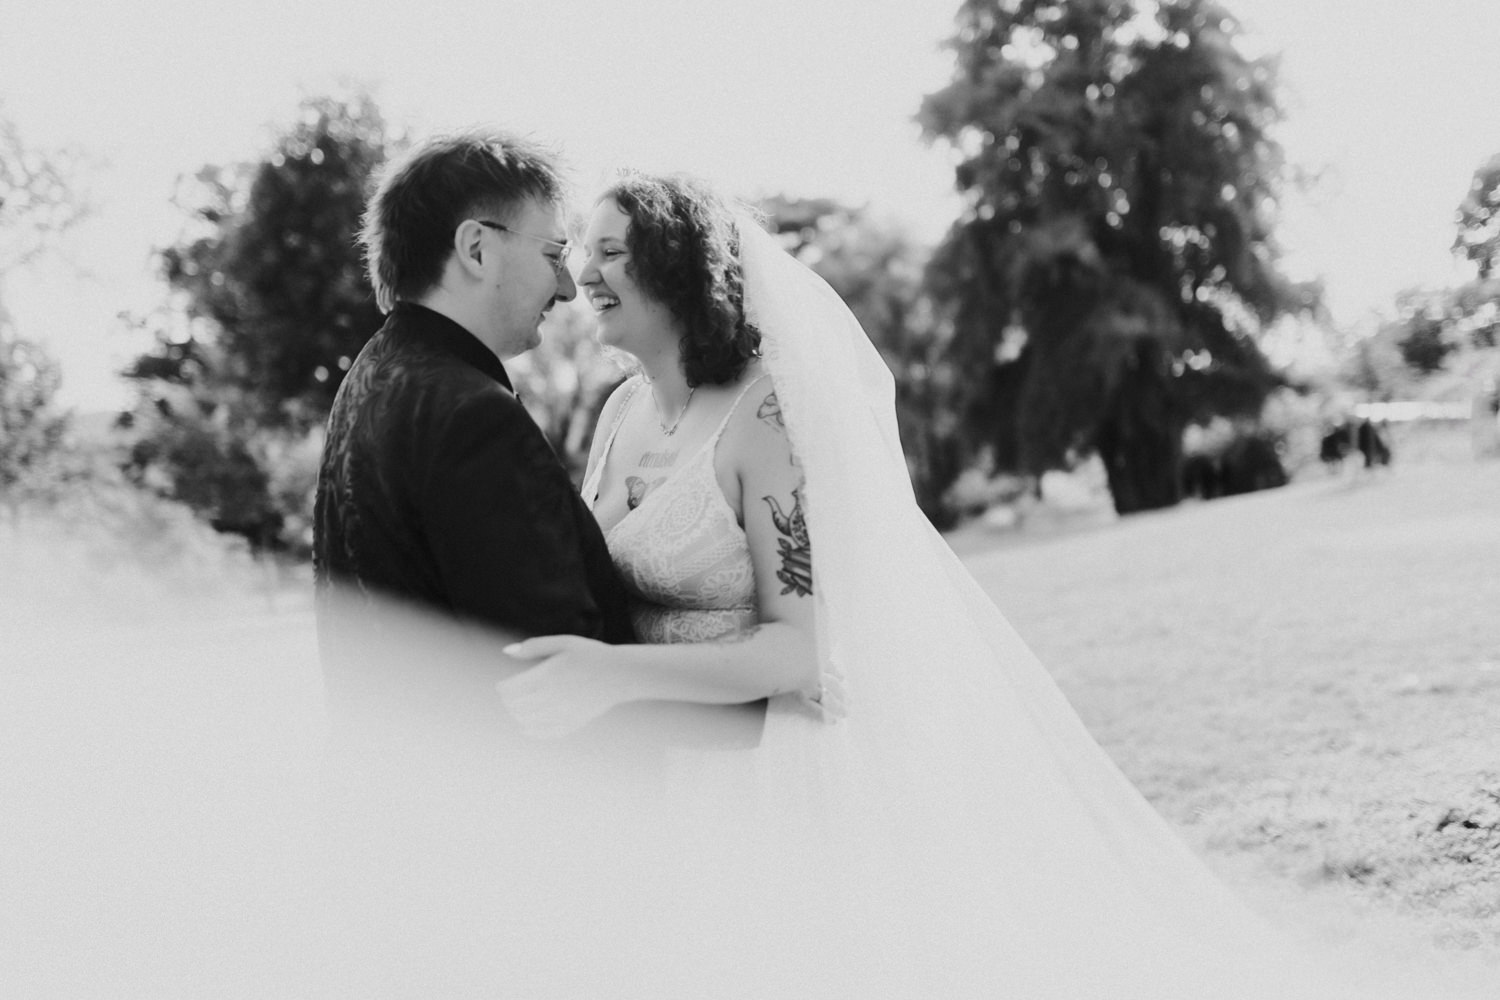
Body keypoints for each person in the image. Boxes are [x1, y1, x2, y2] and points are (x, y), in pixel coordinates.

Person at [487, 173, 1442, 998]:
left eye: (612, 253)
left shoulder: (763, 422)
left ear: (677, 268)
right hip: (664, 765)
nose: (584, 277)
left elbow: (797, 649)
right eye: (584, 254)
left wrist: (613, 675)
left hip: (766, 767)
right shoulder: (615, 414)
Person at [313, 131, 635, 665]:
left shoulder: (369, 375)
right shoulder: (475, 417)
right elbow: (558, 674)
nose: (566, 289)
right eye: (554, 255)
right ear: (477, 249)